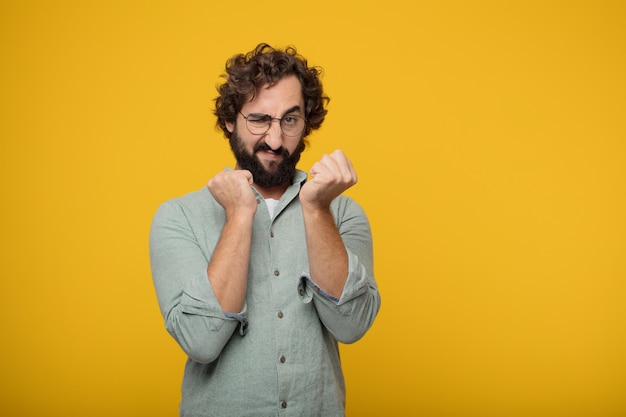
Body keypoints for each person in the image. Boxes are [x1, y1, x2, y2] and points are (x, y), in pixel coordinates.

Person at [149, 43, 381, 417]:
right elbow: (201, 342)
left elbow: (351, 326)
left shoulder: (342, 211)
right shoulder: (178, 216)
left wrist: (317, 208)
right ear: (229, 120)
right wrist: (241, 214)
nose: (275, 140)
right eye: (259, 119)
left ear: (307, 122)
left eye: (290, 120)